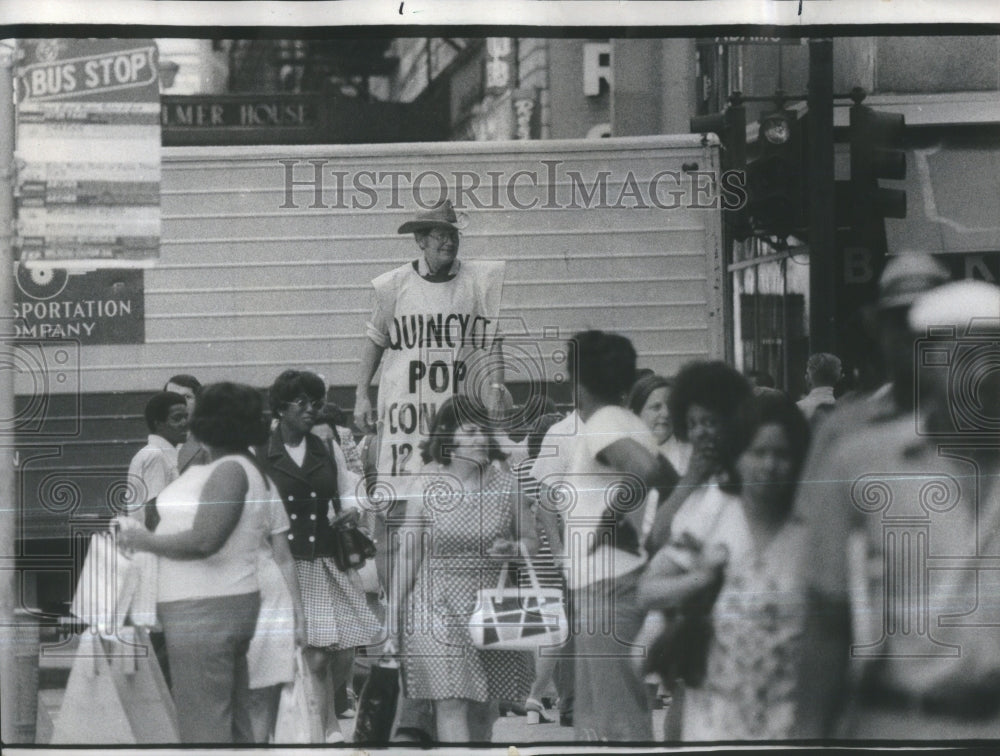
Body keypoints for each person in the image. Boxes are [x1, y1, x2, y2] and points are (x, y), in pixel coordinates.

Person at [793, 280, 1000, 740]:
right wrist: (807, 736)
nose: (983, 374)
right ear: (927, 363)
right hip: (898, 724)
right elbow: (826, 621)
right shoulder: (862, 461)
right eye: (963, 356)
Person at [638, 392, 811, 740]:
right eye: (758, 452)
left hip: (789, 719)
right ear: (738, 456)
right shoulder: (713, 512)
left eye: (781, 454)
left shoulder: (812, 525)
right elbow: (648, 590)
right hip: (715, 718)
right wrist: (700, 579)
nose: (769, 465)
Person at [117, 382, 277, 743]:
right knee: (230, 720)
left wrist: (144, 540)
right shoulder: (240, 466)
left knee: (203, 724)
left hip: (206, 610)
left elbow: (205, 540)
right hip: (221, 605)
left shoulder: (229, 471)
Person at [390, 396, 537, 743]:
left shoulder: (506, 486)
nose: (480, 438)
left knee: (483, 708)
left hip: (490, 603)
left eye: (483, 431)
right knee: (451, 698)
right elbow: (409, 552)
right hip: (434, 601)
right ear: (448, 438)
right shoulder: (426, 483)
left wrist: (513, 548)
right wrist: (393, 611)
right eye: (470, 431)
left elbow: (531, 541)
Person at [561, 331, 677, 741]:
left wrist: (613, 526)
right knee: (596, 726)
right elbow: (659, 478)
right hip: (608, 584)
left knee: (618, 723)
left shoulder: (605, 422)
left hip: (608, 587)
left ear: (577, 382)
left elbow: (647, 470)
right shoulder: (621, 421)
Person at [256, 369, 381, 743]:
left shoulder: (326, 447)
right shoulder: (262, 451)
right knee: (307, 651)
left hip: (323, 557)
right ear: (280, 407)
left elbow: (351, 492)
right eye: (302, 402)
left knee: (323, 652)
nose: (312, 409)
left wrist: (351, 512)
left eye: (316, 402)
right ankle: (318, 727)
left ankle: (325, 726)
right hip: (281, 563)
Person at [352, 199, 507, 488]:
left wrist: (497, 388)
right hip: (408, 408)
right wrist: (361, 395)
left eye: (454, 235)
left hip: (458, 404)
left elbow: (493, 339)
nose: (449, 242)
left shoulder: (477, 282)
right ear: (420, 240)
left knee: (463, 486)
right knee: (404, 486)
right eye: (441, 235)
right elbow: (375, 339)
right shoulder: (394, 285)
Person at [127, 391, 189, 530]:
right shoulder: (155, 456)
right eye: (177, 418)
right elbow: (153, 513)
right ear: (158, 424)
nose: (185, 423)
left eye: (186, 417)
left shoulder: (159, 453)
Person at [164, 374, 211, 473]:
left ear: (198, 401)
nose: (180, 402)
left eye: (187, 397)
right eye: (171, 396)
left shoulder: (209, 440)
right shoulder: (160, 439)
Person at [797, 353, 842, 421]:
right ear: (838, 377)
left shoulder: (798, 409)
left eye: (807, 373)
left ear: (809, 377)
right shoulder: (845, 409)